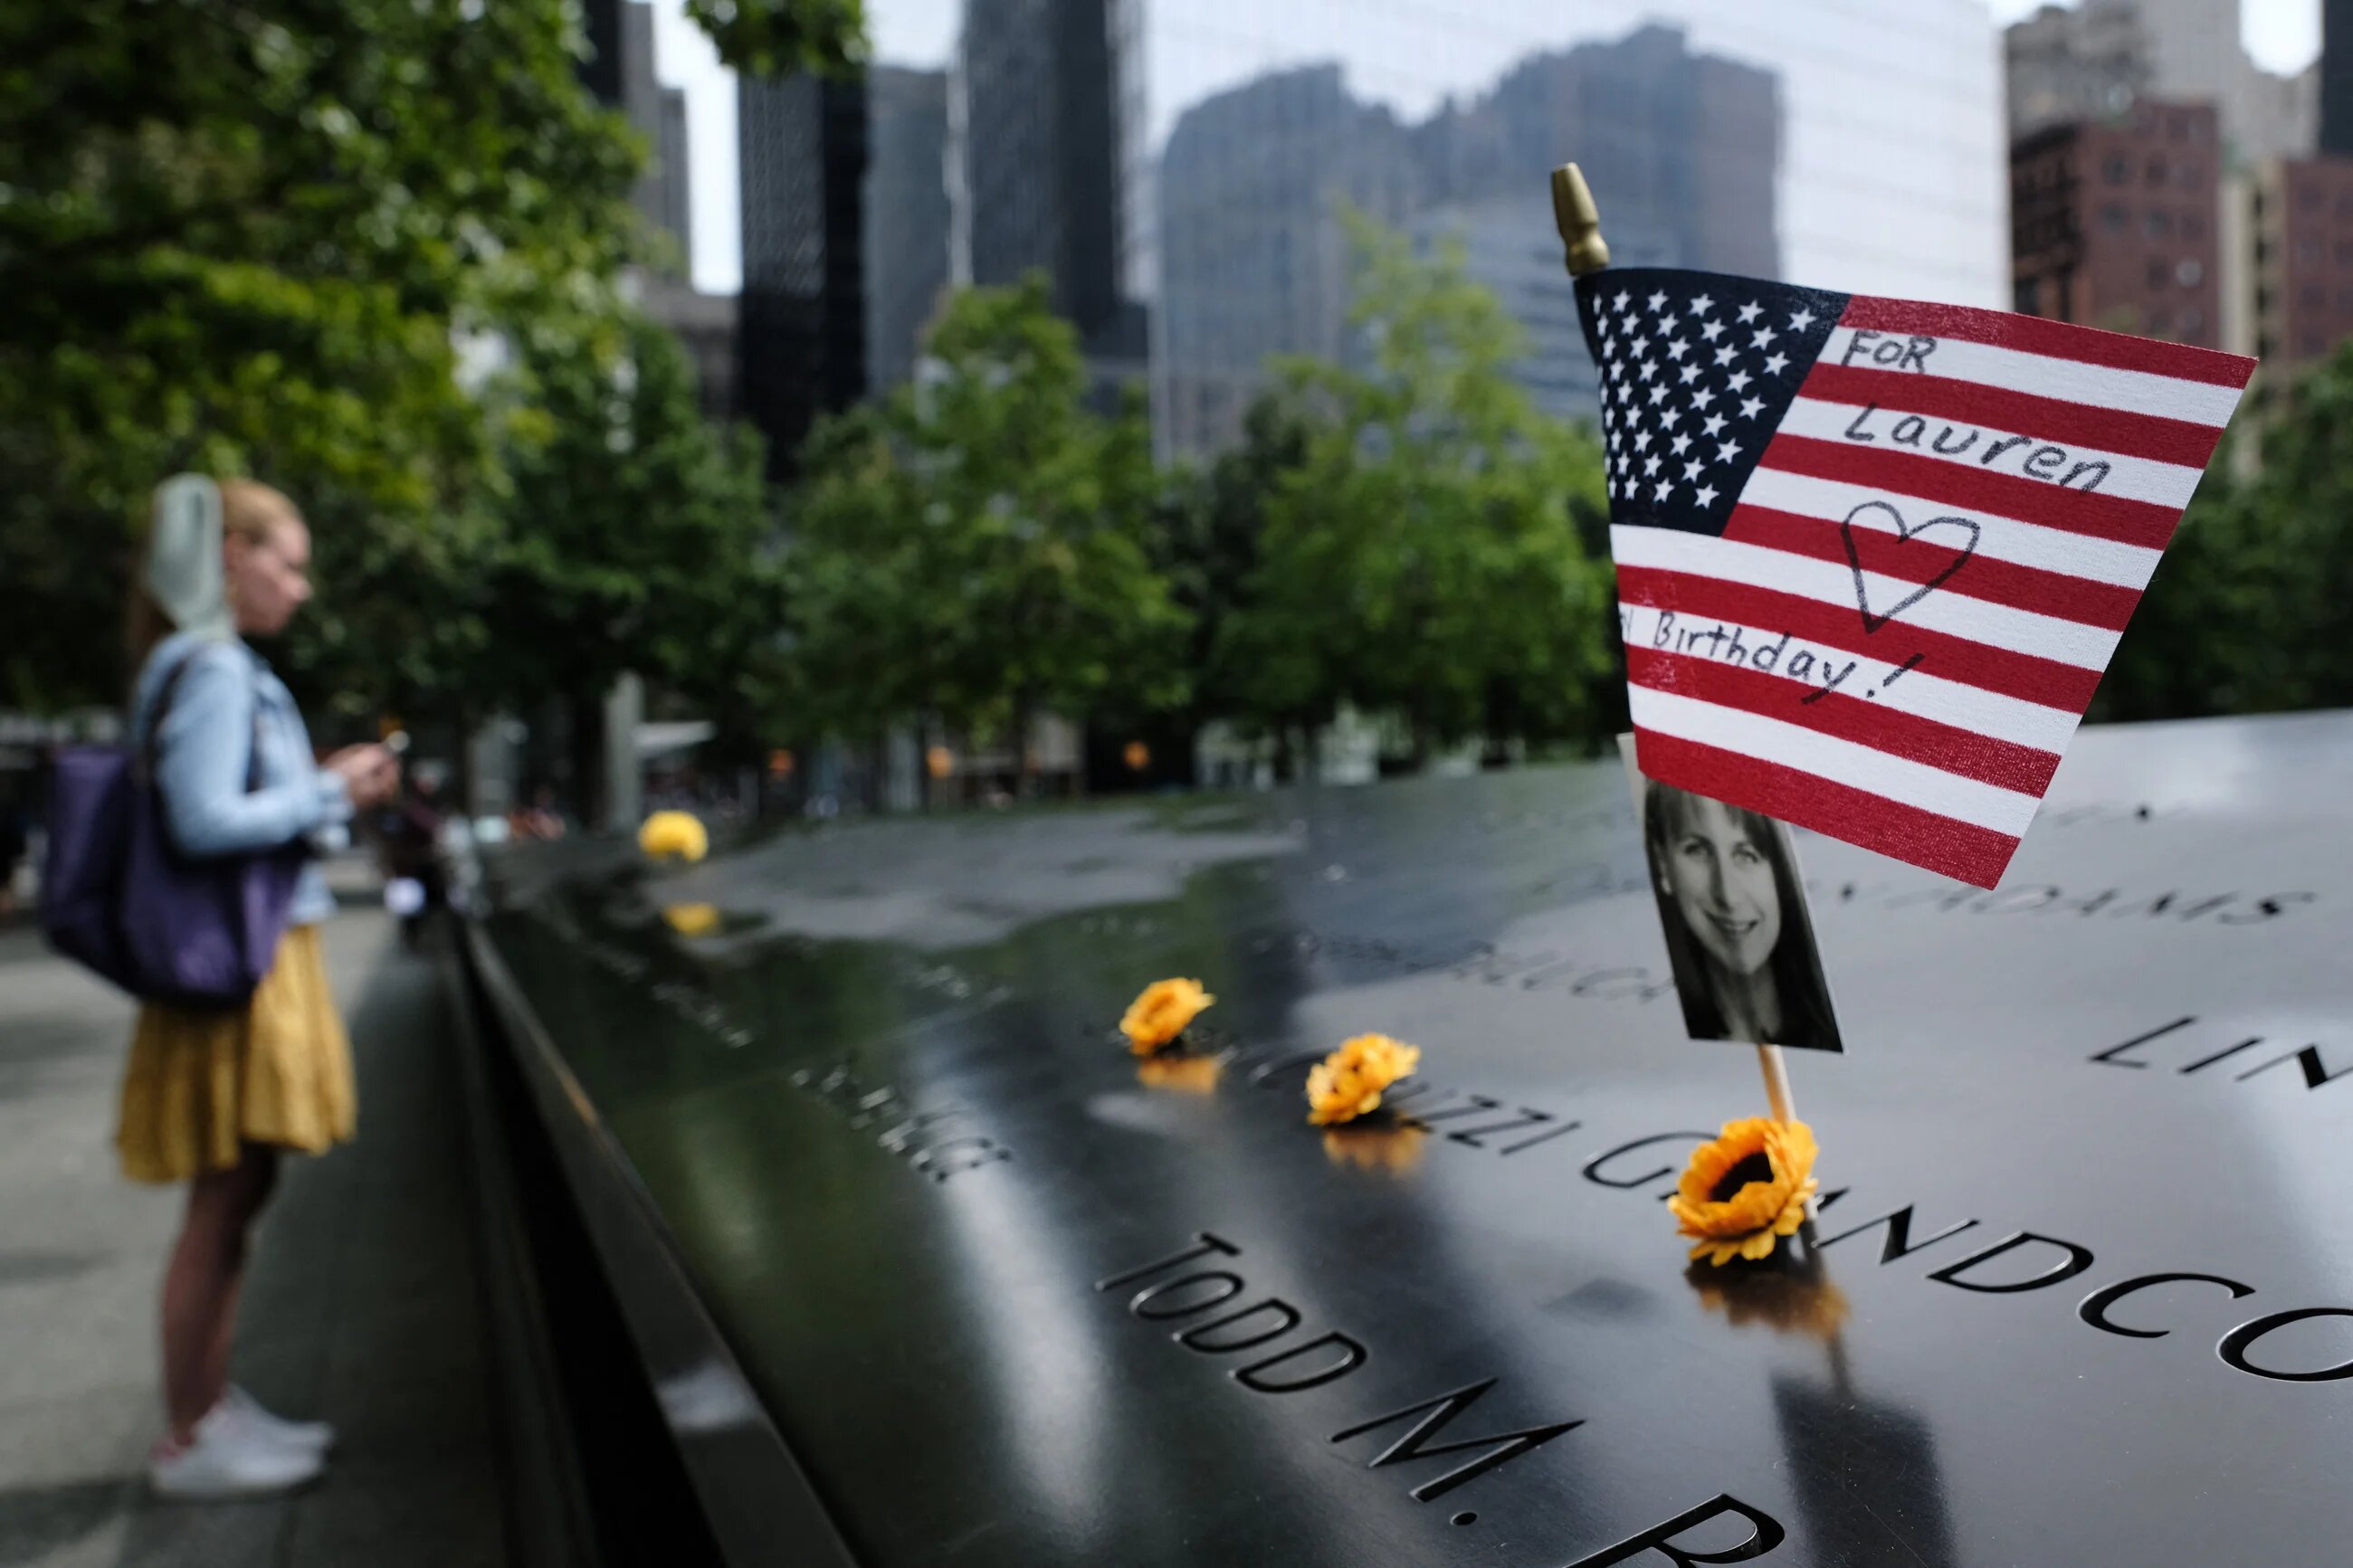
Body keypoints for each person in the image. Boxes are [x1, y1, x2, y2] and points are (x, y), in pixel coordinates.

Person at [119, 477, 398, 1498]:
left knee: (235, 1195)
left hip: (244, 955)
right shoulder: (216, 668)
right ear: (230, 556)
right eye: (285, 560)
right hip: (242, 964)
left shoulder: (198, 666)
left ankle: (210, 1412)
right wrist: (330, 787)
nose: (301, 585)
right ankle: (192, 1434)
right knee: (223, 1198)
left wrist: (317, 783)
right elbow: (202, 820)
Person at [1641, 777, 1843, 1053]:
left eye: (1748, 854)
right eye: (1697, 850)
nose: (1728, 895)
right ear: (1663, 862)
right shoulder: (1660, 1043)